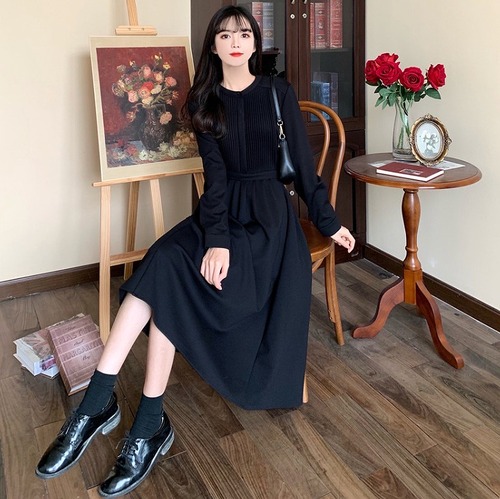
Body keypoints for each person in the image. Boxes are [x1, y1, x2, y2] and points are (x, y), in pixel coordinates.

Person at [36, 5, 355, 497]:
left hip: (269, 224)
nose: (235, 42)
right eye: (225, 35)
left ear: (255, 42)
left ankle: (130, 418)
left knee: (170, 274)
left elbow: (305, 171)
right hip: (222, 213)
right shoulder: (205, 101)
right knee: (165, 261)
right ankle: (105, 406)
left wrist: (331, 224)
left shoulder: (278, 93)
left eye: (243, 33)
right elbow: (217, 180)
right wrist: (218, 239)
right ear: (213, 46)